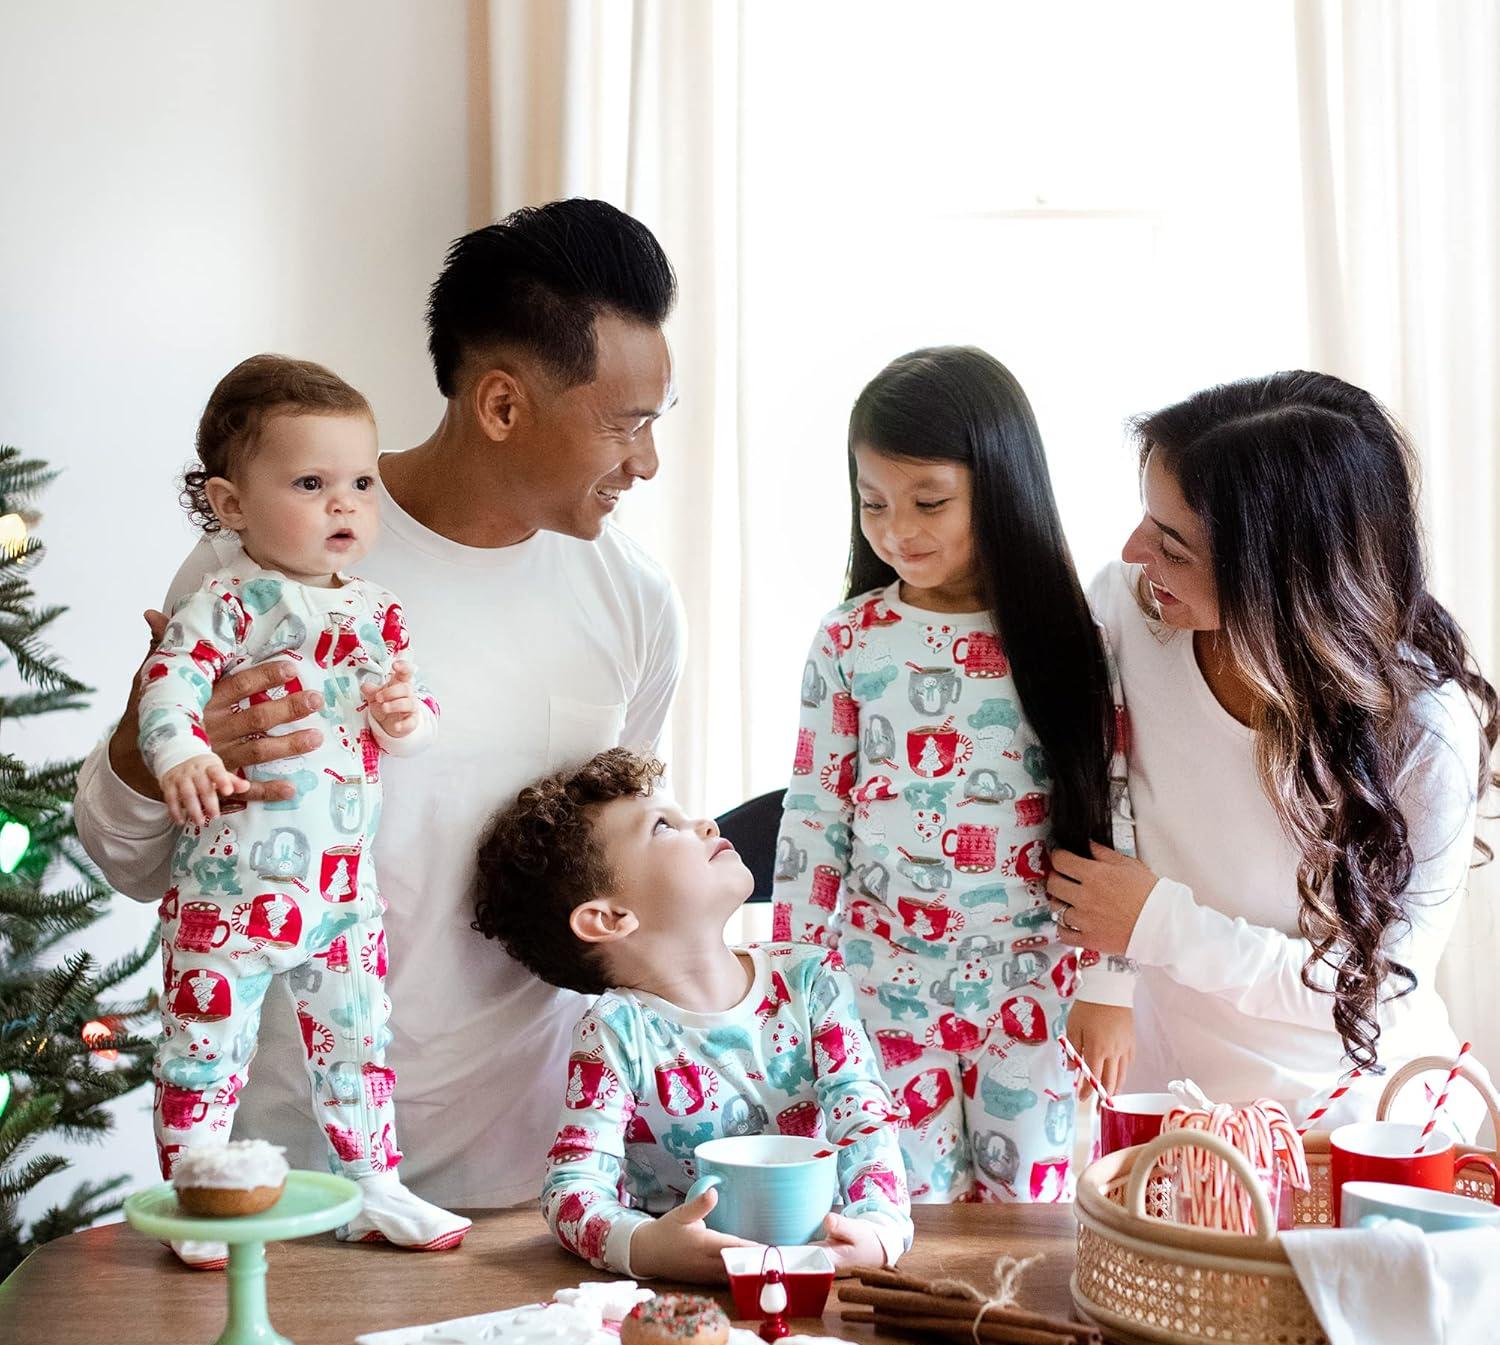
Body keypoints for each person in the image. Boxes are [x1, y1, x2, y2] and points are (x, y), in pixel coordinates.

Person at [74, 200, 687, 1207]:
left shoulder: (635, 603)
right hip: (288, 1187)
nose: (646, 461)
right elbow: (130, 862)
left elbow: (616, 884)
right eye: (625, 426)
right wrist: (153, 751)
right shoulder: (261, 561)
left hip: (534, 1195)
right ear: (500, 405)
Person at [1055, 371, 1499, 1127]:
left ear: (1283, 579)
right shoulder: (1131, 618)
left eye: (1172, 545)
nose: (1135, 553)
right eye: (1145, 522)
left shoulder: (1424, 729)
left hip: (1357, 1124)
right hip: (1174, 1116)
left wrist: (1160, 924)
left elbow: (1376, 984)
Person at [774, 347, 1136, 1205]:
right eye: (874, 503)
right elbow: (813, 814)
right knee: (900, 1212)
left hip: (1033, 987)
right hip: (880, 985)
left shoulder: (1065, 638)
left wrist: (1108, 986)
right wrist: (793, 978)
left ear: (1001, 488)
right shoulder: (849, 639)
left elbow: (1114, 808)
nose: (898, 529)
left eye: (929, 502)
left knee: (1033, 1215)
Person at [140, 354, 470, 1265]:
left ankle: (375, 1186)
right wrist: (181, 752)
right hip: (229, 892)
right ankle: (200, 1189)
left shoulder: (380, 612)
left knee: (361, 1040)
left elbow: (412, 713)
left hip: (339, 896)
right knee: (206, 1046)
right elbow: (167, 688)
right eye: (312, 483)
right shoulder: (223, 599)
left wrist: (406, 718)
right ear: (233, 504)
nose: (345, 505)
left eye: (362, 483)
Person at [473, 748, 913, 1281]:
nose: (704, 823)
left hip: (820, 1261)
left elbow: (864, 1117)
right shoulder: (616, 1032)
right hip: (684, 1290)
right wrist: (647, 1247)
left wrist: (880, 1228)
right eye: (663, 826)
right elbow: (571, 1189)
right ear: (609, 918)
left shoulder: (812, 980)